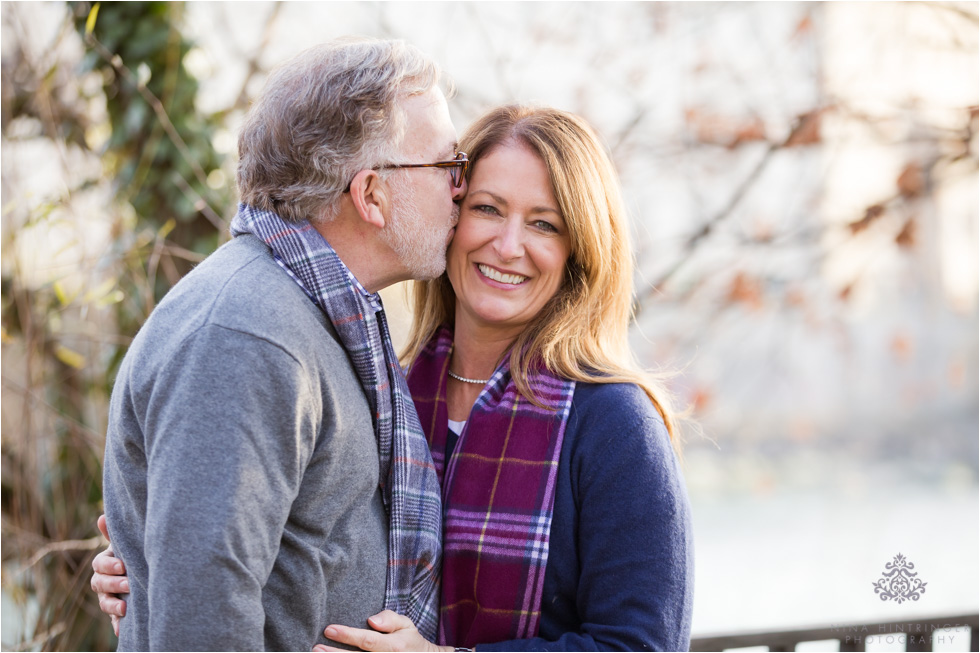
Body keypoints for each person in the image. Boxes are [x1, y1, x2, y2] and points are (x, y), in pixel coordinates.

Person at [94, 105, 694, 650]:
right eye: (486, 208)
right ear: (450, 216)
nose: (508, 245)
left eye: (545, 224)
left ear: (580, 251)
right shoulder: (386, 392)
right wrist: (153, 566)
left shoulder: (614, 421)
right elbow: (290, 544)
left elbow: (641, 646)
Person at [95, 36, 467, 651]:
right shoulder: (244, 337)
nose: (459, 187)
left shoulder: (318, 317)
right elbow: (202, 614)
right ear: (371, 194)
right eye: (445, 166)